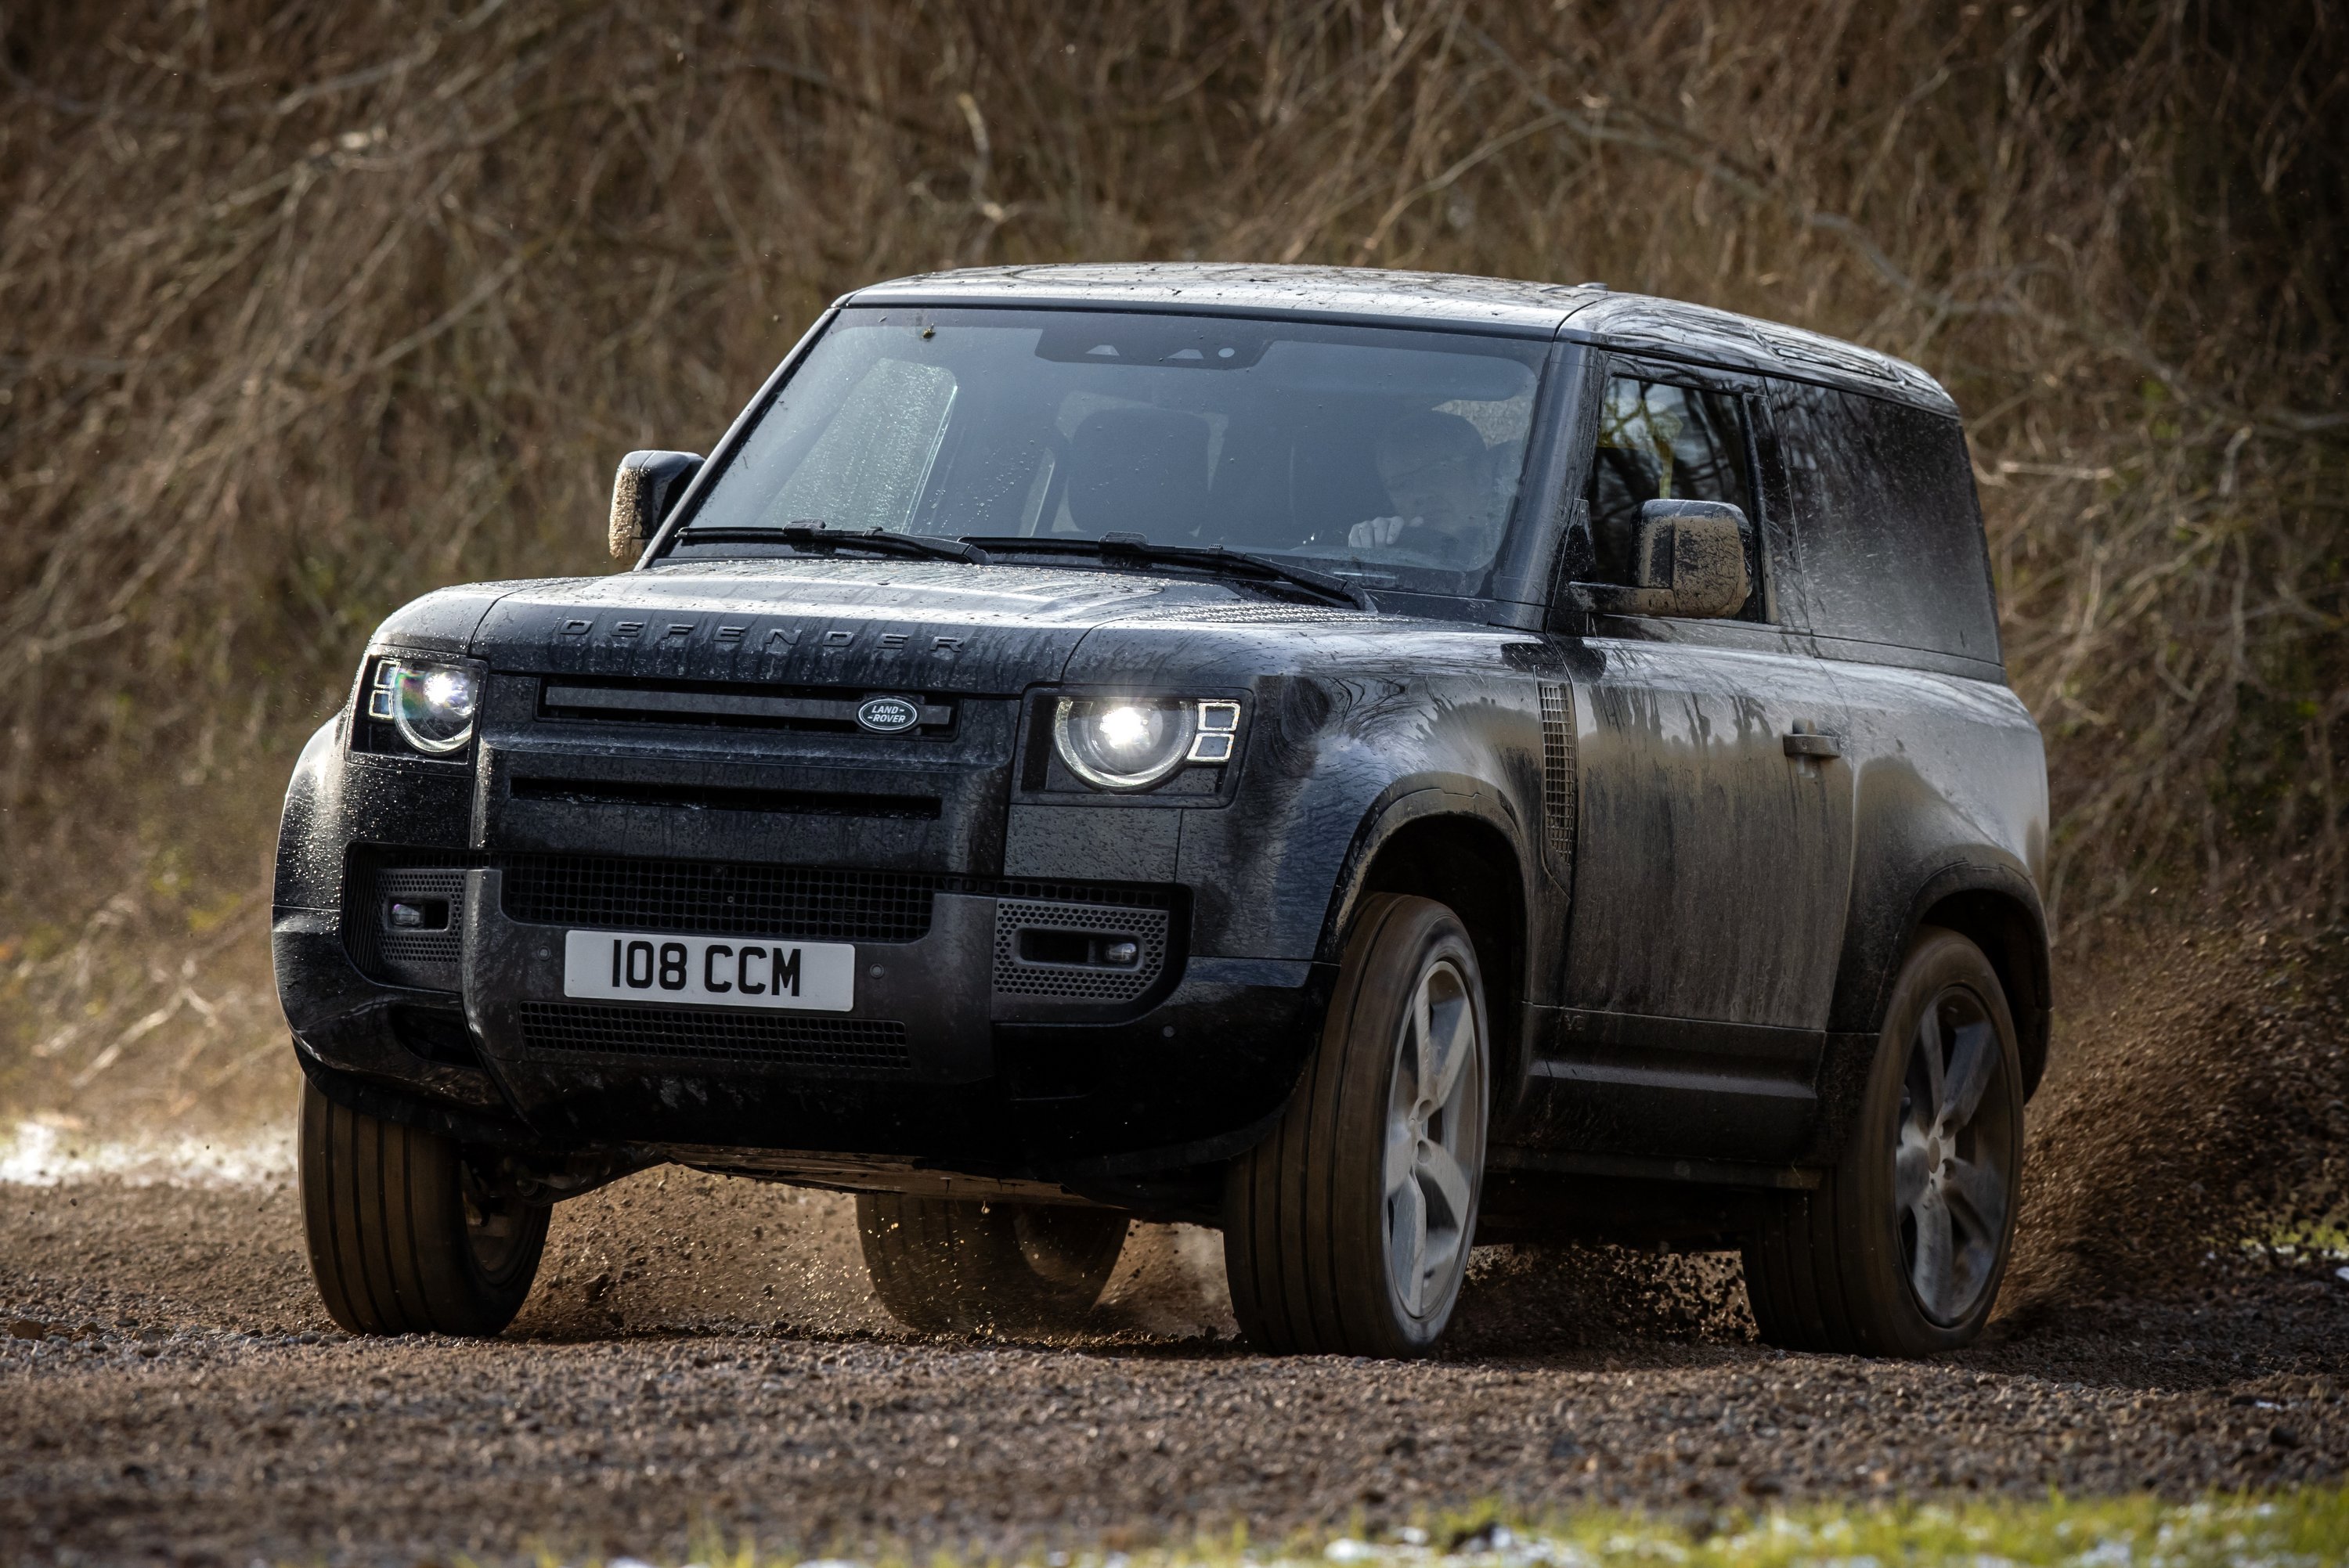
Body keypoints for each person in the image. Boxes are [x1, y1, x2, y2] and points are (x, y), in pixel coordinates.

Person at [1348, 410, 1498, 564]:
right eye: (1400, 485)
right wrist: (1375, 553)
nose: (1417, 494)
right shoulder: (1393, 549)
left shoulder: (1519, 558)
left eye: (1435, 473)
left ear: (1482, 477)